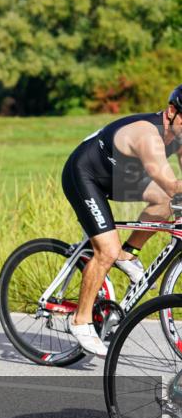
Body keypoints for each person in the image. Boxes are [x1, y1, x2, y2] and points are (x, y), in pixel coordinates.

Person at [61, 84, 182, 356]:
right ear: (171, 111)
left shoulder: (180, 132)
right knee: (106, 250)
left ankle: (128, 255)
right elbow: (172, 185)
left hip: (118, 177)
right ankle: (80, 321)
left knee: (165, 204)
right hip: (84, 175)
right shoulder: (147, 135)